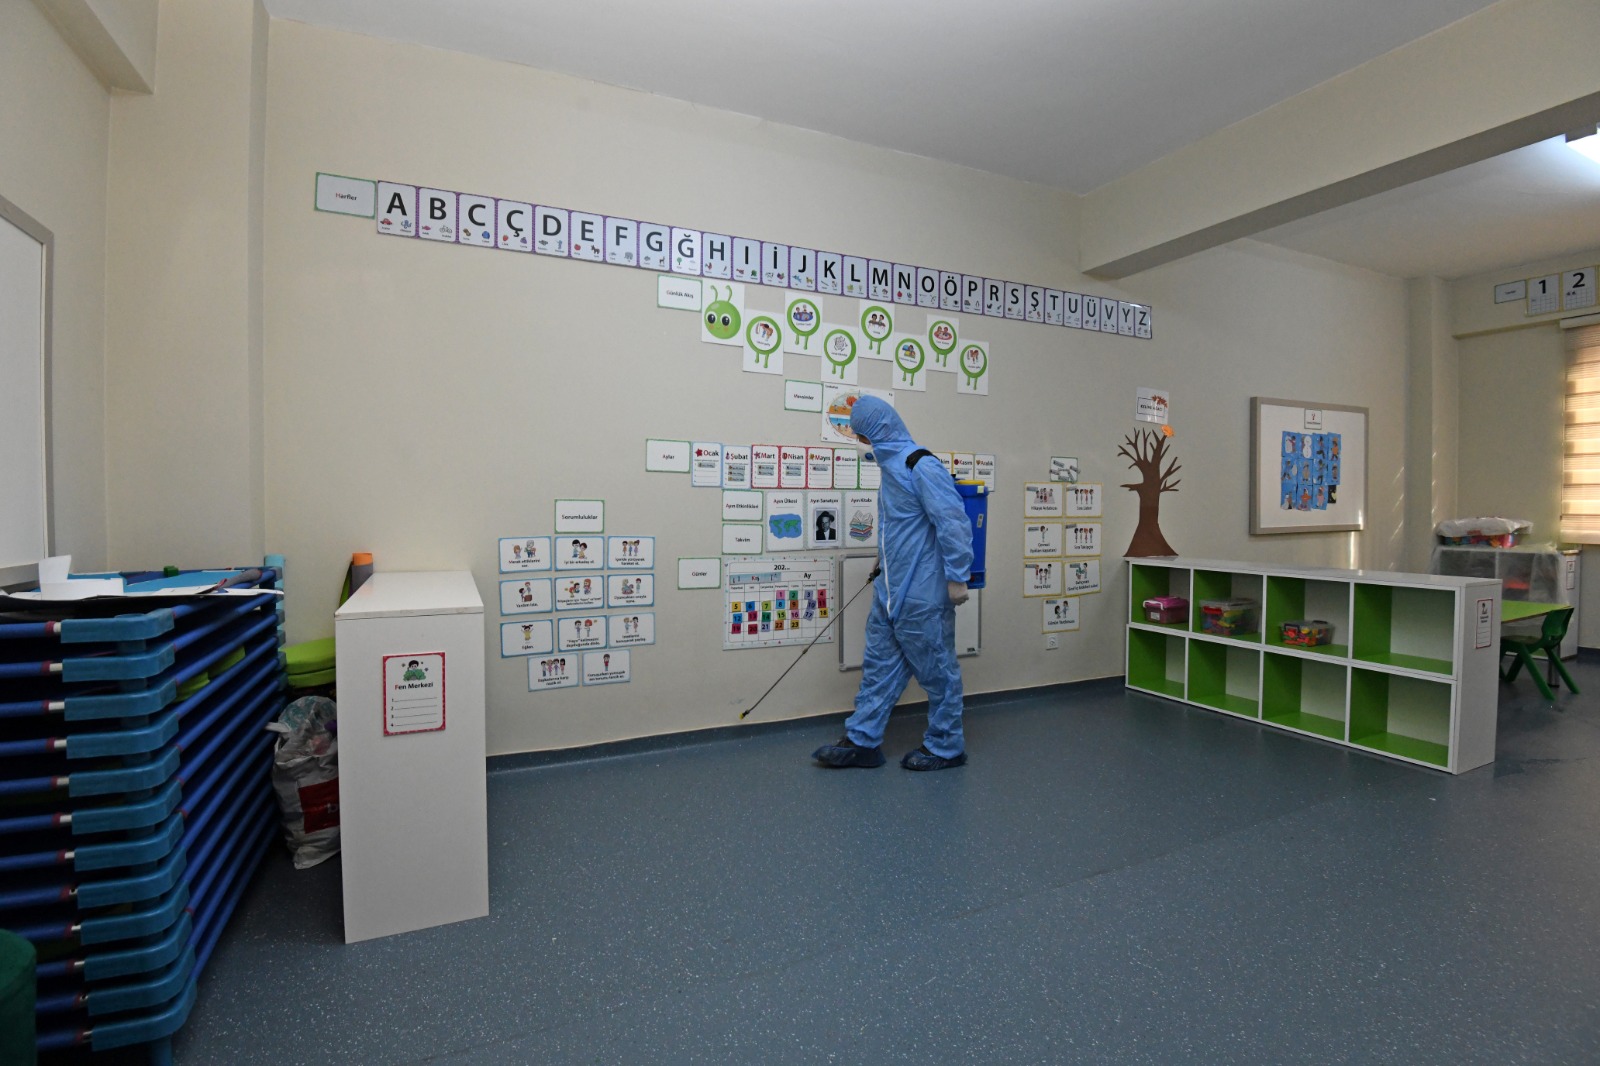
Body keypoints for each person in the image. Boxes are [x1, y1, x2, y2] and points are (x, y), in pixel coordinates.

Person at [813, 396, 973, 771]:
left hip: (923, 593)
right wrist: (881, 559)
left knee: (938, 673)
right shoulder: (890, 469)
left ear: (879, 431)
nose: (861, 443)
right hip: (890, 591)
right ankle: (862, 741)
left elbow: (953, 522)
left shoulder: (921, 465)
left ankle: (947, 747)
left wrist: (957, 576)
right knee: (878, 667)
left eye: (863, 436)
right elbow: (898, 526)